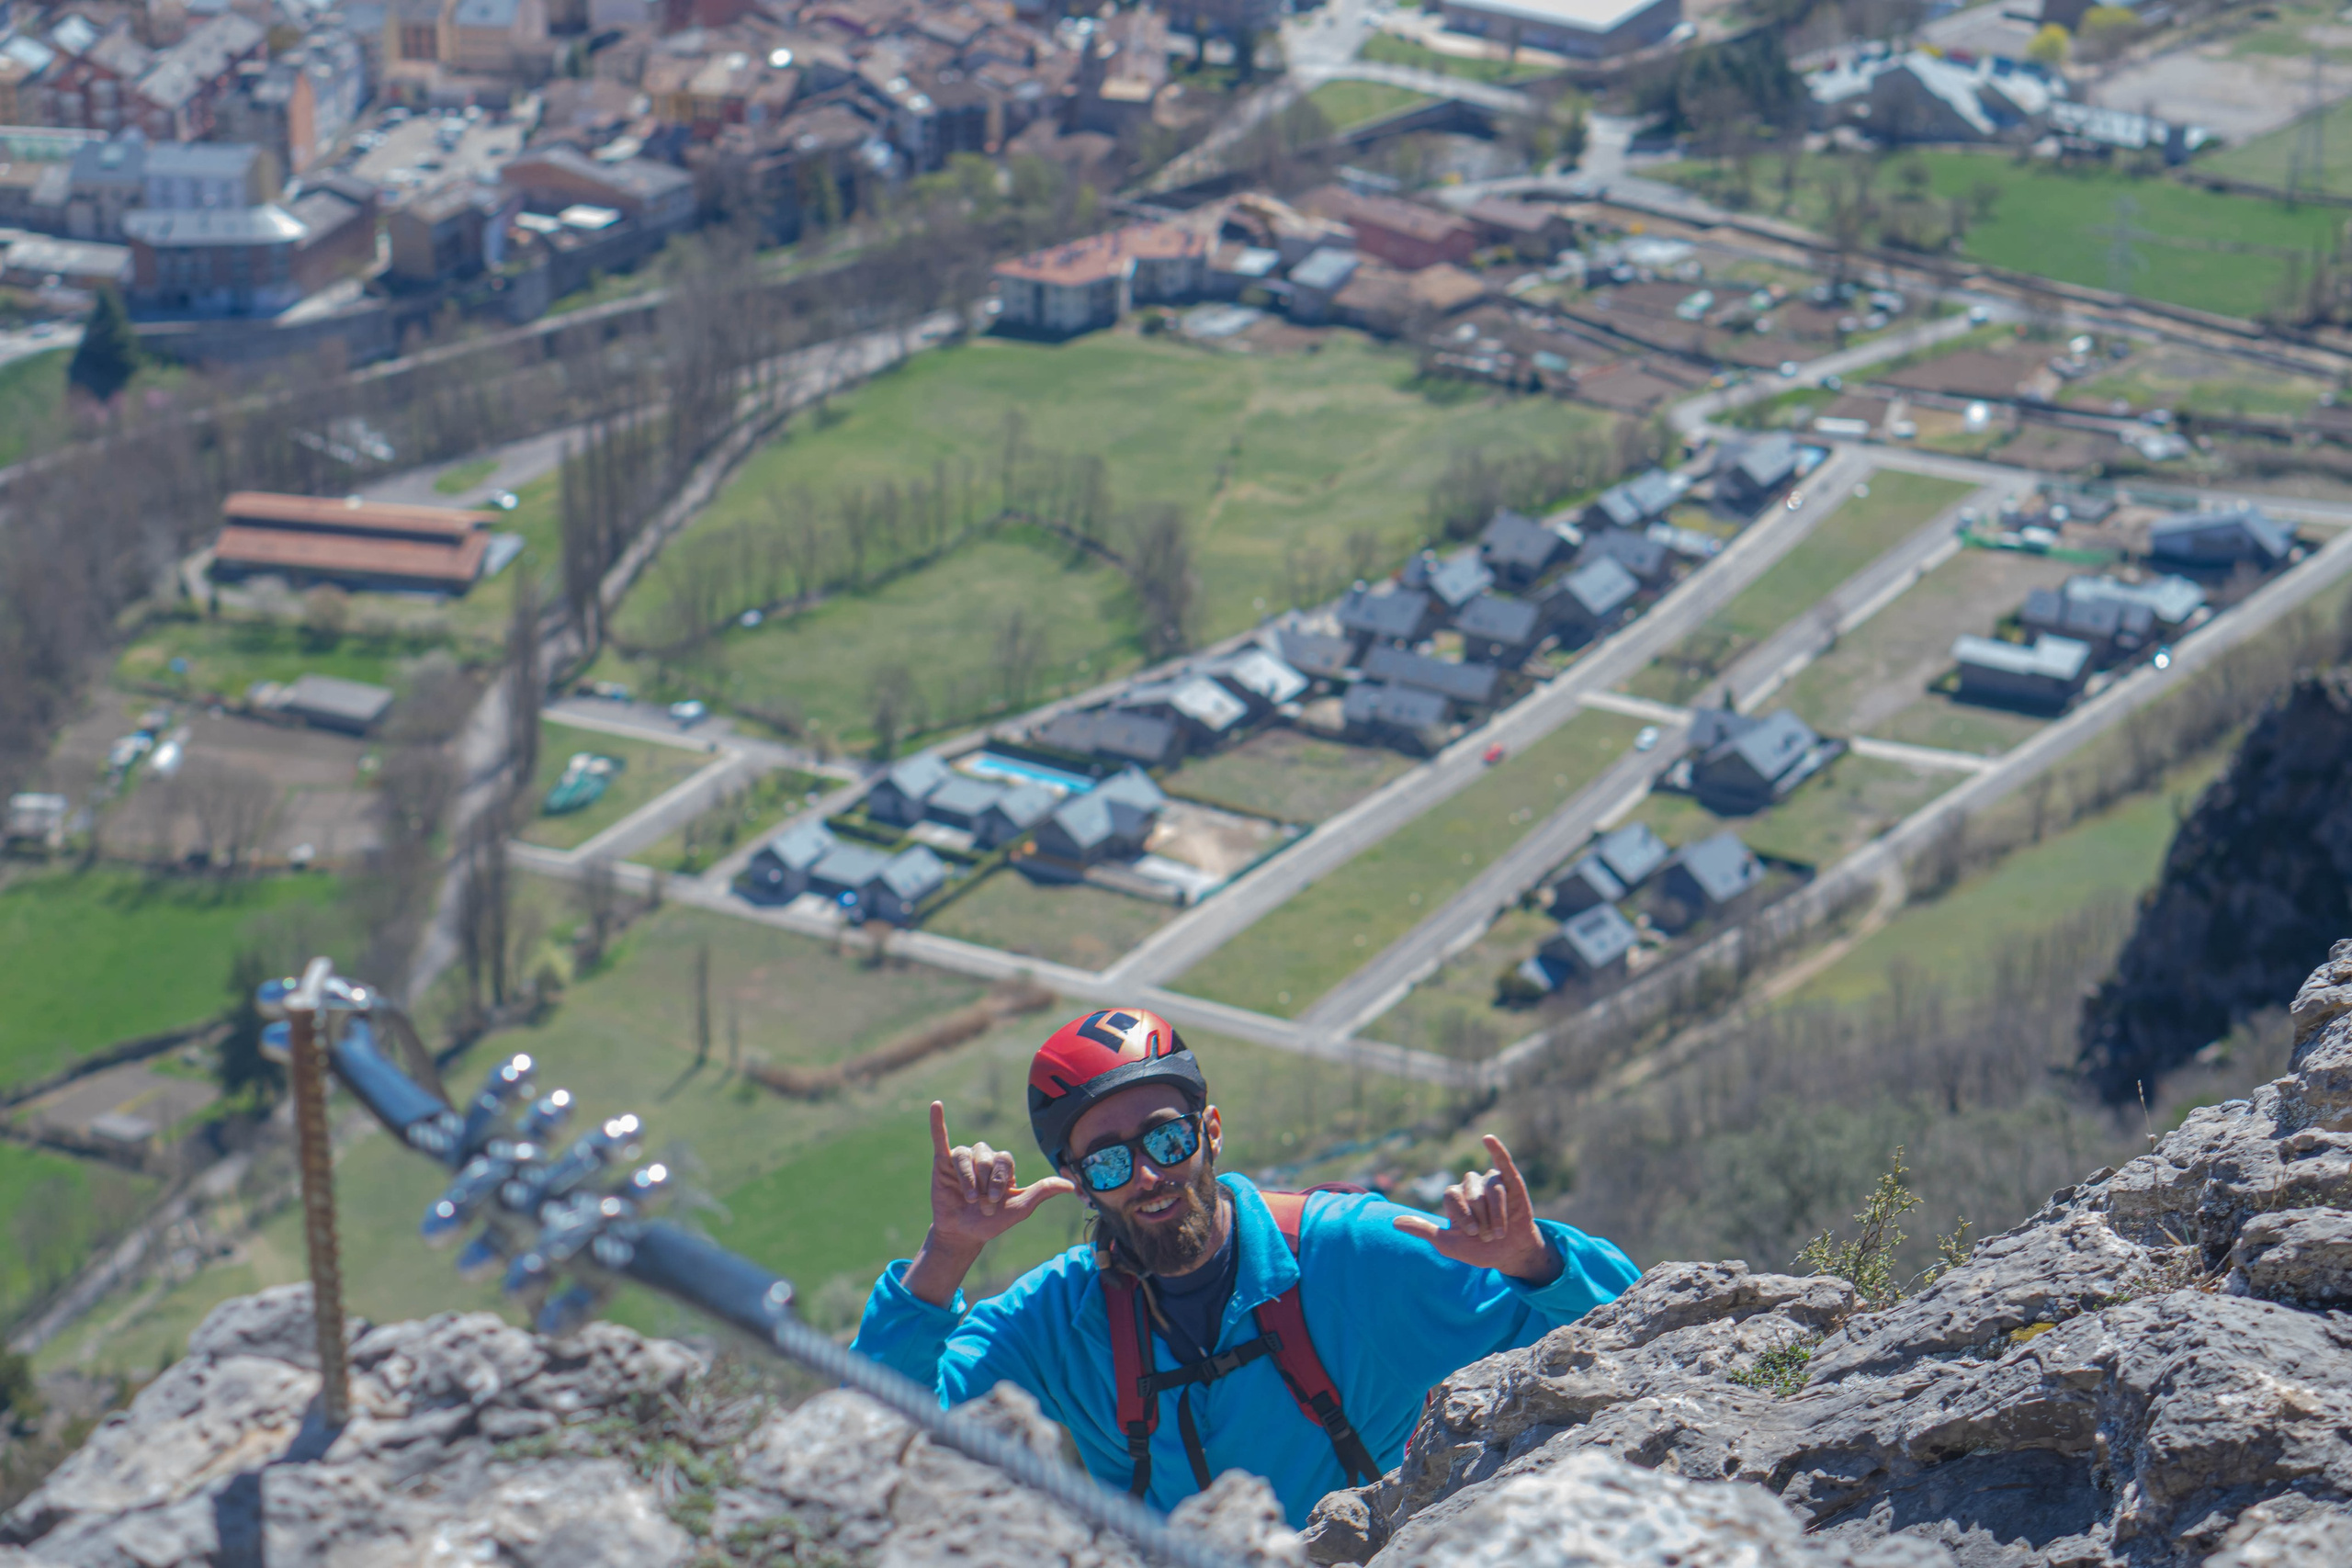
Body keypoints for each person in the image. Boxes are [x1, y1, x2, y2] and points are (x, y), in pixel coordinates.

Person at [852, 1008, 1639, 1527]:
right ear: (1080, 1181)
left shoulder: (1352, 1254)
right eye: (1109, 1161)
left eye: (1166, 1139)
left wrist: (1532, 1261)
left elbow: (1632, 1329)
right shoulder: (1059, 1320)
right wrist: (948, 1252)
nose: (1150, 1175)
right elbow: (881, 1431)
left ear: (1211, 1130)